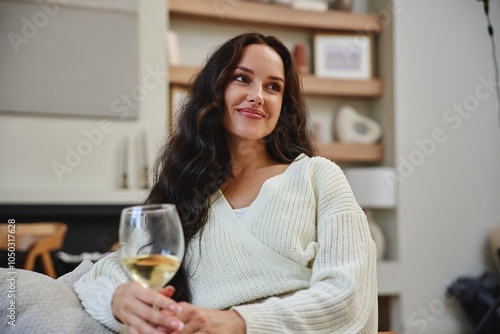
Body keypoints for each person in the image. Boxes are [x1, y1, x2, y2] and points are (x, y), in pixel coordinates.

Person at [74, 31, 378, 334]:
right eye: (242, 79)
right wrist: (117, 299)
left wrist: (238, 323)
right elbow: (98, 277)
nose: (258, 95)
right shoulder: (184, 189)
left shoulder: (319, 176)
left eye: (273, 86)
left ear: (284, 105)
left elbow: (347, 295)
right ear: (215, 91)